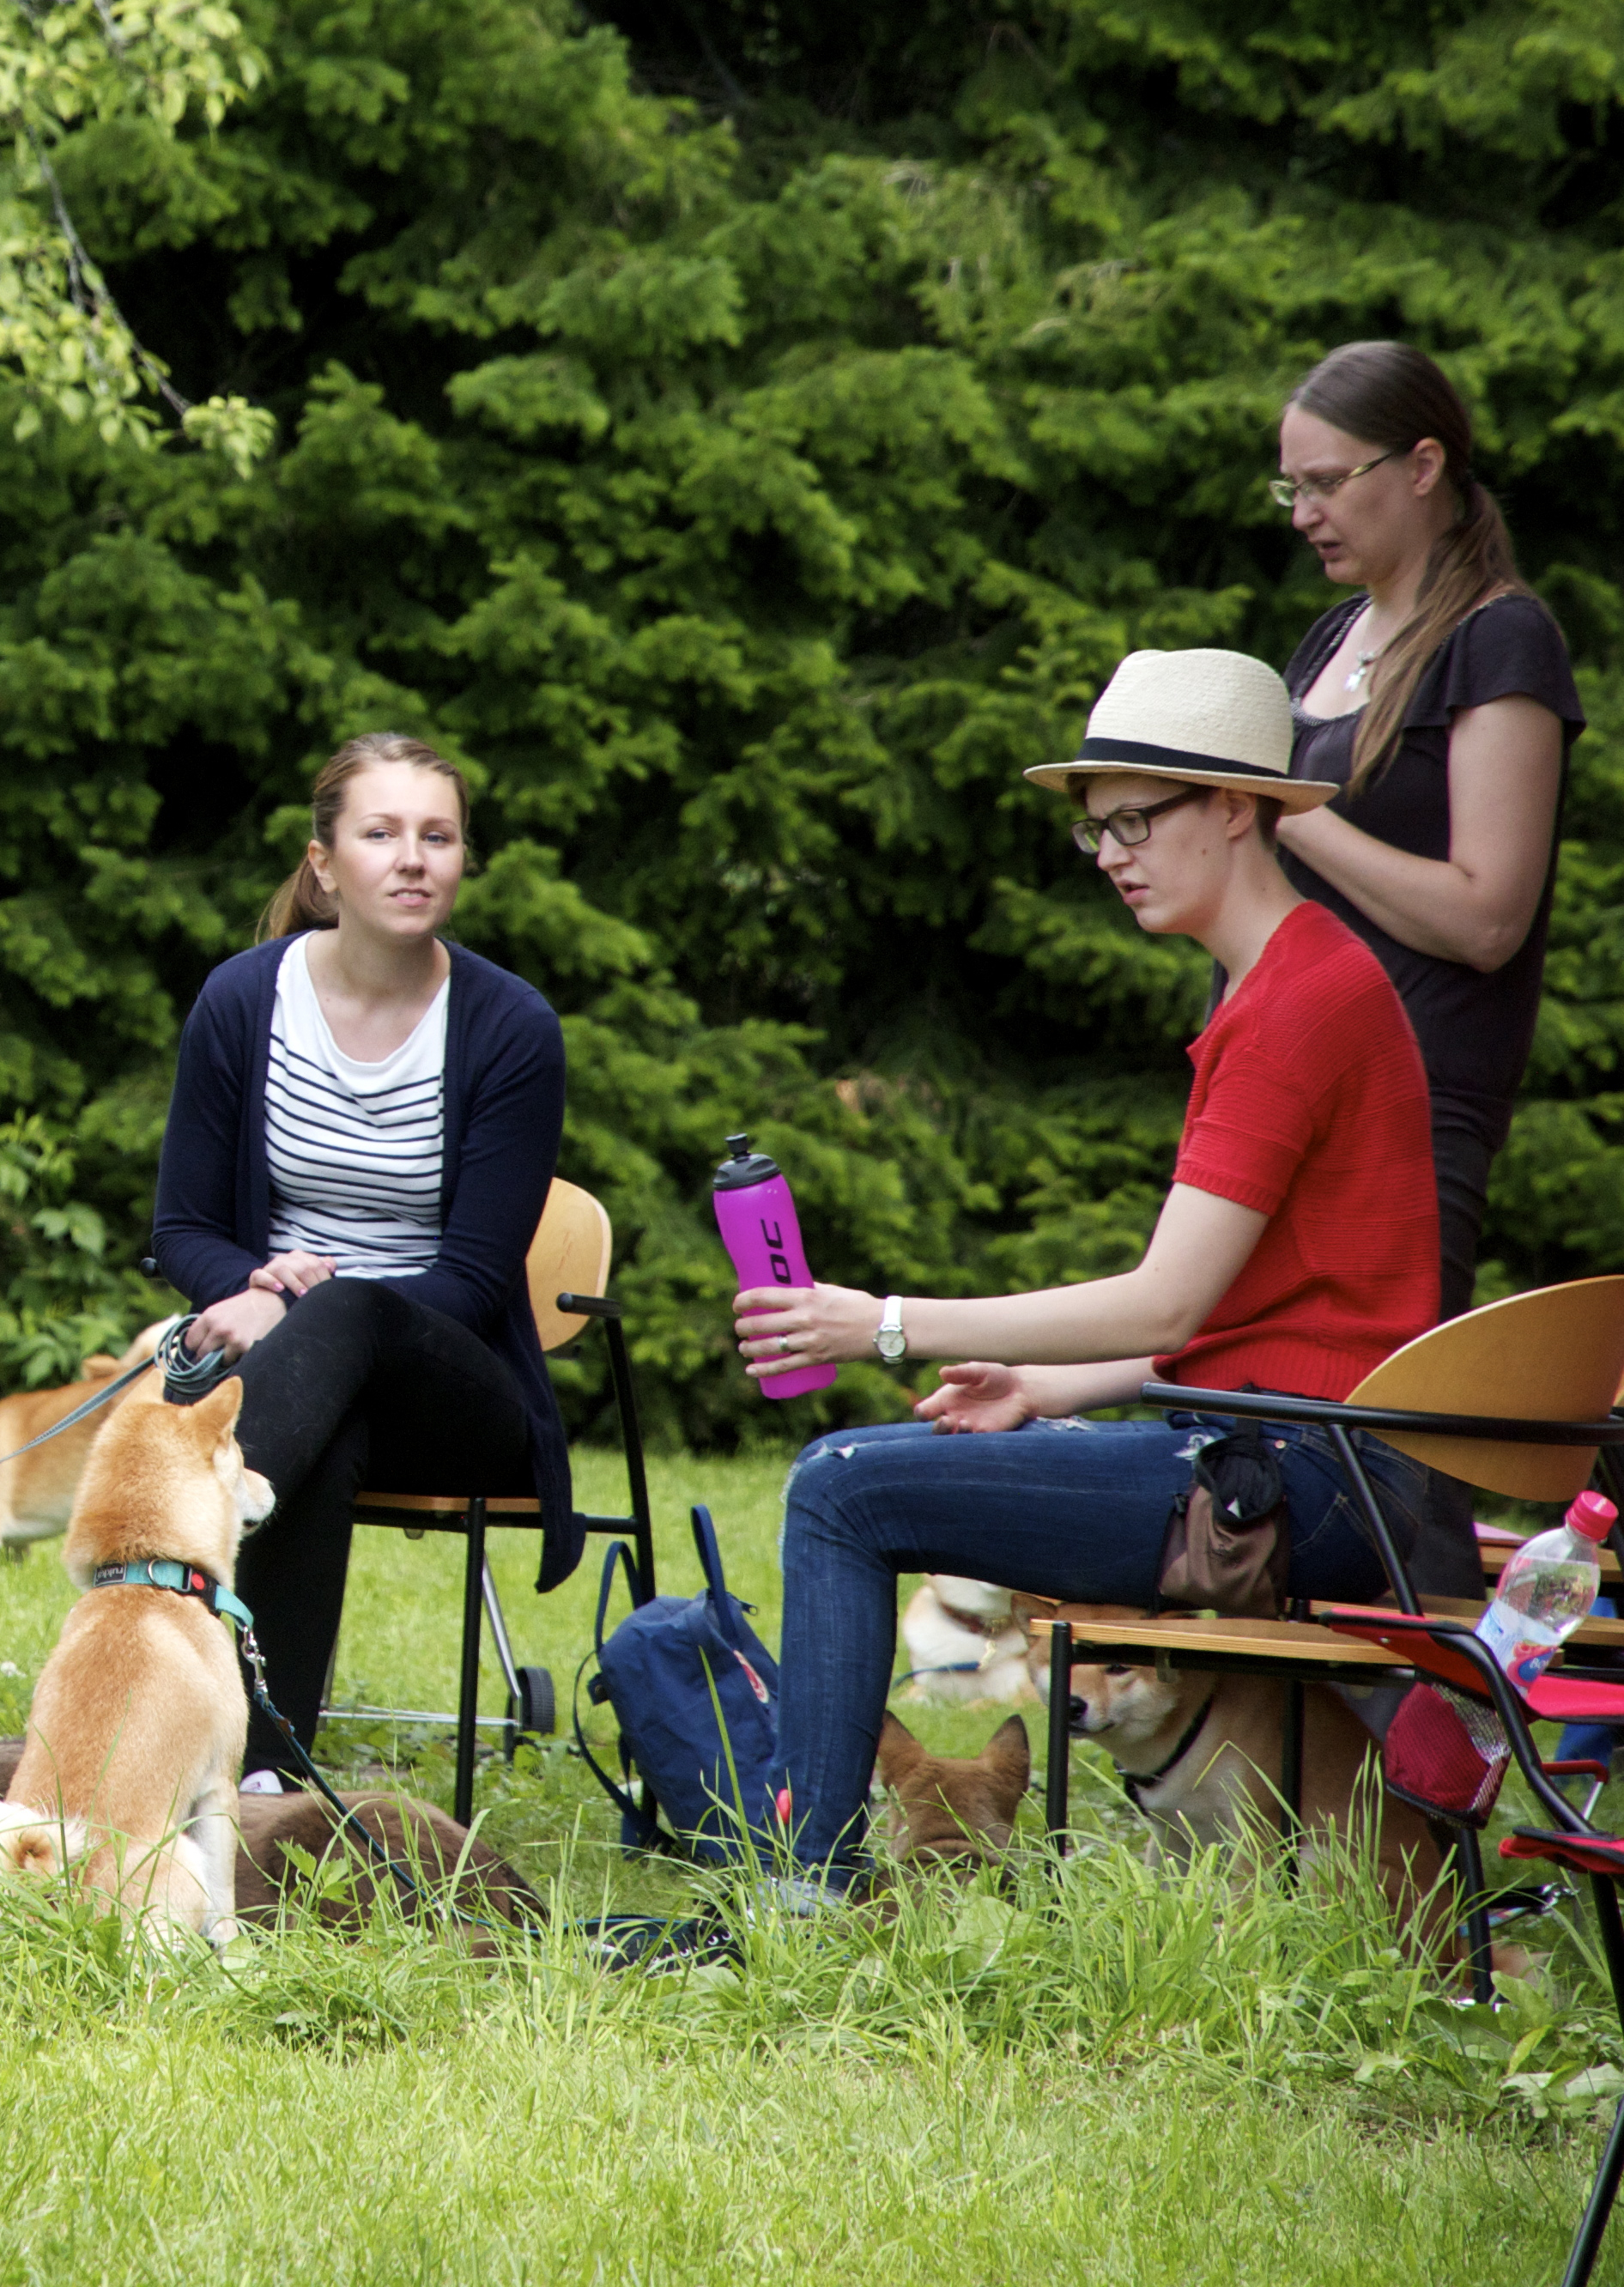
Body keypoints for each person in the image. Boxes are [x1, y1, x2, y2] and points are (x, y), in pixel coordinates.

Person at [732, 648, 1453, 1898]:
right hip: (1292, 1455)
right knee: (844, 1482)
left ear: (1235, 807)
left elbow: (1171, 1299)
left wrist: (881, 1322)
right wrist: (1053, 1392)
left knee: (841, 1486)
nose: (1112, 853)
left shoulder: (1296, 1002)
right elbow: (1251, 1313)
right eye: (1095, 831)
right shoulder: (1291, 980)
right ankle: (811, 1883)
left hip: (1305, 1481)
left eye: (1136, 819)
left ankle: (804, 1901)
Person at [147, 732, 573, 1780]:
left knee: (343, 1311)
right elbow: (184, 1230)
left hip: (453, 1396)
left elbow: (474, 1284)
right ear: (325, 862)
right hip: (305, 1404)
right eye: (381, 833)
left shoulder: (511, 1027)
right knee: (322, 1429)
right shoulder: (243, 1002)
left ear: (464, 859)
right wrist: (240, 1289)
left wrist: (289, 1303)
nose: (413, 857)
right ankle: (260, 1774)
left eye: (438, 835)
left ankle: (155, 1580)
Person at [1271, 341, 1585, 1320]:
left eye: (1326, 482)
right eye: (1287, 487)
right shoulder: (1333, 635)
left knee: (1375, 1436)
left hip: (1406, 1103)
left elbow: (1488, 918)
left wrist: (1279, 808)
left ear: (1421, 466)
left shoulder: (1501, 639)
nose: (1302, 514)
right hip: (1283, 1086)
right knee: (1244, 1412)